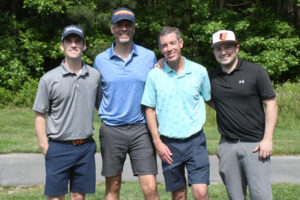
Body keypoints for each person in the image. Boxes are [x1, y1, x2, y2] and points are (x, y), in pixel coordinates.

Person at [93, 7, 160, 200]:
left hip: (141, 129)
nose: (124, 29)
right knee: (112, 188)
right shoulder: (101, 60)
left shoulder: (148, 57)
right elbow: (99, 95)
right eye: (119, 25)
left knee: (151, 189)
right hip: (112, 130)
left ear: (134, 28)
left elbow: (157, 88)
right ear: (112, 29)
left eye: (128, 25)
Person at [33, 25, 101, 200]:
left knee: (78, 196)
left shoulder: (94, 76)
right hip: (58, 146)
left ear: (84, 46)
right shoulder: (49, 79)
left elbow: (101, 107)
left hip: (85, 146)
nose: (73, 45)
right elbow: (40, 115)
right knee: (55, 197)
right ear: (61, 46)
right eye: (68, 41)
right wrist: (45, 146)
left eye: (77, 41)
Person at [142, 26, 211, 200]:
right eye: (164, 45)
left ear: (181, 43)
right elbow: (149, 108)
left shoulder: (200, 72)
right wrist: (157, 142)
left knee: (201, 193)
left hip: (195, 141)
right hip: (169, 145)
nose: (169, 48)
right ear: (160, 49)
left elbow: (210, 99)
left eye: (172, 43)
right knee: (178, 195)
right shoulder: (155, 75)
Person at [208, 30, 278, 200]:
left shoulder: (256, 71)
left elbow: (271, 105)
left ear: (237, 48)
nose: (223, 52)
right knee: (235, 197)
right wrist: (162, 62)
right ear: (214, 51)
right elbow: (207, 98)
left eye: (228, 47)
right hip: (227, 146)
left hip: (255, 146)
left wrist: (267, 139)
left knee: (261, 196)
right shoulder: (210, 77)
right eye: (218, 48)